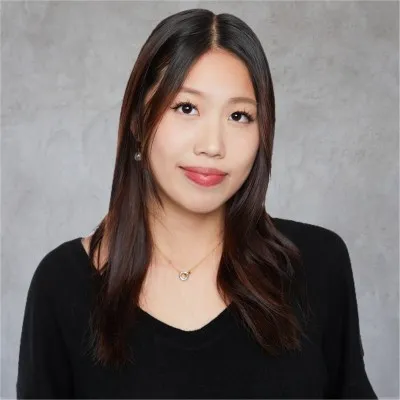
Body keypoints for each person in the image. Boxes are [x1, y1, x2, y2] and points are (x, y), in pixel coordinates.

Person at [16, 8, 377, 399]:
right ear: (138, 121)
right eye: (186, 108)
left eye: (239, 115)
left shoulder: (318, 264)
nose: (213, 145)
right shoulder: (63, 285)